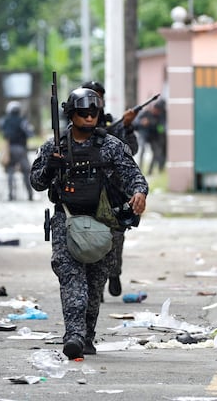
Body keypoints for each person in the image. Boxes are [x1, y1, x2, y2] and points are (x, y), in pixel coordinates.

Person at [30, 87, 148, 359]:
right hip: (67, 220)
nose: (89, 117)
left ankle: (87, 335)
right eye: (83, 112)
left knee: (95, 284)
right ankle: (73, 336)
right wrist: (50, 168)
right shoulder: (54, 146)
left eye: (94, 112)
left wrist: (139, 193)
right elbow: (36, 182)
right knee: (72, 280)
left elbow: (133, 176)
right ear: (72, 114)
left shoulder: (110, 146)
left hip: (102, 222)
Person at [81, 81, 140, 298]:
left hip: (113, 192)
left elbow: (131, 149)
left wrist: (127, 126)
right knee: (87, 238)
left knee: (115, 238)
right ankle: (94, 286)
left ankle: (113, 273)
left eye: (99, 97)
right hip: (85, 192)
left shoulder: (111, 125)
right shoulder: (77, 126)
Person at [0, 100, 34, 201]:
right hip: (21, 149)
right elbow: (30, 133)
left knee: (10, 170)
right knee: (26, 171)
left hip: (9, 149)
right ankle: (30, 194)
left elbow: (4, 133)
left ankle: (10, 195)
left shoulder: (5, 120)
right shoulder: (23, 121)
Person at [137, 99, 167, 175]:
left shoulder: (159, 116)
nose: (156, 112)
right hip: (144, 134)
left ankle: (150, 171)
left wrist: (159, 129)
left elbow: (161, 127)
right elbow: (135, 122)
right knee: (142, 150)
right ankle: (139, 169)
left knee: (156, 152)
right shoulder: (146, 113)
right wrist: (142, 122)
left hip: (153, 136)